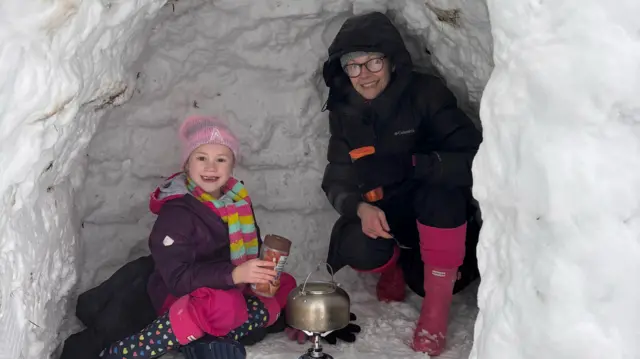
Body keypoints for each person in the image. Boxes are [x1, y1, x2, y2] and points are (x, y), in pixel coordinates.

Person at [320, 12, 483, 356]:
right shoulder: (344, 110)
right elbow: (336, 177)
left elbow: (473, 159)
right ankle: (392, 262)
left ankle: (435, 313)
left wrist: (415, 164)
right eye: (353, 65)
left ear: (391, 60)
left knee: (439, 219)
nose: (364, 75)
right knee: (356, 244)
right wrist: (359, 207)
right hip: (387, 213)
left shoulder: (426, 94)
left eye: (373, 62)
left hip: (435, 212)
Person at [100, 115, 300, 359]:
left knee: (286, 284)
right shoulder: (177, 212)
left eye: (221, 159)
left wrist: (261, 274)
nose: (211, 167)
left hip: (230, 287)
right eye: (201, 157)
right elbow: (177, 278)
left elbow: (247, 253)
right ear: (187, 164)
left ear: (232, 165)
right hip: (184, 296)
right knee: (223, 306)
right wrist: (235, 275)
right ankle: (129, 351)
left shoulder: (237, 202)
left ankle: (206, 337)